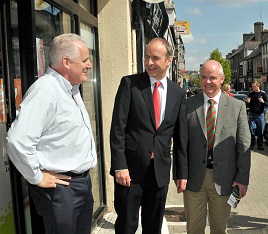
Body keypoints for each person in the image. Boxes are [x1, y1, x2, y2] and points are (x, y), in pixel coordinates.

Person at [6, 33, 97, 234]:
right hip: (61, 190)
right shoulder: (46, 90)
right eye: (84, 60)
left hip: (80, 184)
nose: (89, 65)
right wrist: (36, 176)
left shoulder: (71, 90)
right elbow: (16, 141)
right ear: (66, 62)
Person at [110, 37, 188, 234]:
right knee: (127, 225)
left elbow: (180, 137)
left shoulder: (178, 93)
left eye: (155, 58)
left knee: (153, 227)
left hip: (159, 172)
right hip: (130, 172)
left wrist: (181, 174)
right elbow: (118, 128)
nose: (149, 63)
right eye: (146, 57)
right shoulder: (130, 84)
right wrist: (120, 165)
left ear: (169, 60)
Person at [184, 60, 251, 234]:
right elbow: (181, 144)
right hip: (194, 180)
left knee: (220, 229)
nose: (207, 82)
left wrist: (242, 178)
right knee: (193, 229)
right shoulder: (188, 105)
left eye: (212, 77)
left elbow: (244, 145)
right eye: (204, 77)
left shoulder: (238, 107)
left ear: (222, 79)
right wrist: (180, 175)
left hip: (225, 180)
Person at [246, 80, 268, 150]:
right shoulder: (251, 94)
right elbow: (247, 103)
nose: (252, 88)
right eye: (252, 86)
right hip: (252, 114)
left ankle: (260, 144)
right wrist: (248, 102)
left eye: (254, 86)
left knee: (260, 130)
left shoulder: (263, 94)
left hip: (260, 114)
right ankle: (252, 143)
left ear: (258, 86)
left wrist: (263, 101)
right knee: (252, 129)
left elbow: (267, 103)